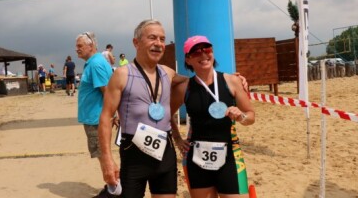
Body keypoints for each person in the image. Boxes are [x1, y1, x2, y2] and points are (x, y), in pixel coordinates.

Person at [99, 19, 188, 198]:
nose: (159, 44)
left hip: (165, 151)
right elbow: (105, 117)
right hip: (134, 153)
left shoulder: (167, 72)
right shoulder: (122, 74)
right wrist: (107, 161)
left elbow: (192, 82)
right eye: (152, 38)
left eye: (162, 39)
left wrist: (229, 78)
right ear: (136, 42)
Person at [170, 35, 255, 198]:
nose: (203, 55)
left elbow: (251, 116)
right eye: (195, 53)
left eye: (206, 49)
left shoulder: (232, 81)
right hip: (197, 159)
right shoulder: (184, 88)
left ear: (212, 52)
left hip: (230, 157)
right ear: (188, 60)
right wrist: (177, 138)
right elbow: (167, 113)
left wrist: (241, 117)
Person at [75, 31, 114, 198]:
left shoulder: (95, 64)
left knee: (103, 155)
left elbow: (107, 92)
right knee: (102, 154)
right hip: (94, 117)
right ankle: (112, 186)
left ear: (90, 46)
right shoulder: (93, 62)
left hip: (96, 119)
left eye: (80, 46)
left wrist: (112, 116)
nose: (77, 49)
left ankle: (113, 189)